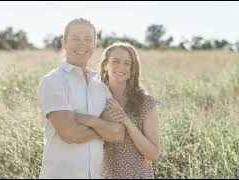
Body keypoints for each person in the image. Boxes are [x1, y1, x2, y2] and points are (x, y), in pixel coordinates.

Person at [37, 18, 125, 179]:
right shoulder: (53, 81)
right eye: (75, 38)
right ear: (64, 43)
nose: (82, 44)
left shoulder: (101, 84)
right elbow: (70, 134)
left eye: (88, 39)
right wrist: (105, 130)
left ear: (95, 44)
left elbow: (118, 133)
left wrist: (91, 121)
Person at [98, 41, 160, 179]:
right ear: (105, 65)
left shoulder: (145, 102)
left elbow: (153, 154)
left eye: (127, 63)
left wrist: (125, 120)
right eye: (116, 61)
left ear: (132, 70)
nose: (121, 67)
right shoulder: (95, 99)